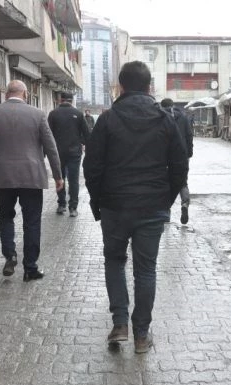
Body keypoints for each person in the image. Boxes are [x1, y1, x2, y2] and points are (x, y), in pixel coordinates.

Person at [84, 61, 188, 353]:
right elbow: (180, 166)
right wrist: (165, 199)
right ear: (149, 86)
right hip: (152, 207)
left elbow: (92, 166)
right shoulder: (165, 120)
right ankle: (141, 335)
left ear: (121, 86)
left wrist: (98, 200)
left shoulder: (107, 120)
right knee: (146, 269)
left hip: (115, 206)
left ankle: (120, 324)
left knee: (114, 261)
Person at [0, 80, 64, 281]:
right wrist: (58, 176)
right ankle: (30, 268)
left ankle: (10, 255)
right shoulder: (38, 114)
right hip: (31, 177)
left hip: (4, 177)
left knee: (5, 217)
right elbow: (51, 147)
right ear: (25, 94)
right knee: (32, 222)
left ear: (7, 94)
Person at [48, 92, 91, 217]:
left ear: (59, 100)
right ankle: (73, 208)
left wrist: (46, 152)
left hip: (57, 153)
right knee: (74, 180)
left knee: (59, 178)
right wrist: (82, 143)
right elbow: (87, 134)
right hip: (74, 152)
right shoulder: (78, 114)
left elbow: (48, 135)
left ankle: (61, 204)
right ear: (72, 101)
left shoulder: (53, 114)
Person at [160, 98, 194, 224]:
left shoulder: (160, 117)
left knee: (164, 182)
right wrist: (189, 152)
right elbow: (189, 135)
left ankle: (166, 210)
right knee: (182, 182)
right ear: (173, 105)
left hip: (164, 155)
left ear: (162, 106)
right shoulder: (183, 117)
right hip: (181, 154)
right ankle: (184, 204)